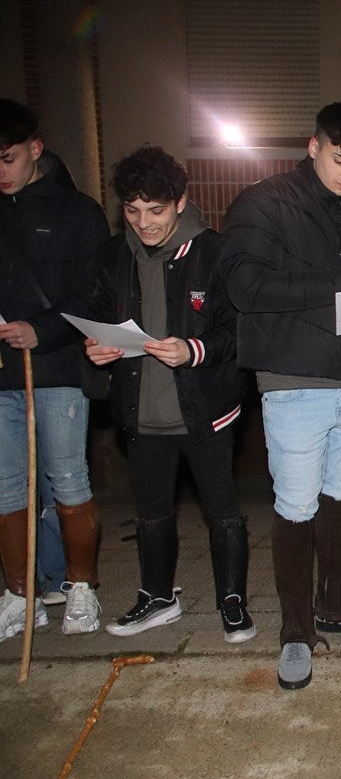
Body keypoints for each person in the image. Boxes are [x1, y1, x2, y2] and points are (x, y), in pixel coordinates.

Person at [222, 102, 341, 690]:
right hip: (294, 382)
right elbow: (245, 286)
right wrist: (337, 277)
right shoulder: (263, 204)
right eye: (339, 157)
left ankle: (335, 604)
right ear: (313, 145)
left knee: (338, 498)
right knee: (296, 504)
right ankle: (296, 629)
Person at [85, 146, 253, 642]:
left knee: (222, 511)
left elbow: (239, 329)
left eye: (155, 211)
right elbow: (98, 314)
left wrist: (195, 349)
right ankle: (158, 598)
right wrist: (96, 346)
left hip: (205, 410)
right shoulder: (113, 256)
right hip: (141, 412)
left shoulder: (214, 252)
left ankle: (233, 600)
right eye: (133, 212)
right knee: (151, 511)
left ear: (180, 201)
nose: (144, 223)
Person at [0, 99, 108, 640]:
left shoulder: (77, 212)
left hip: (58, 369)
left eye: (7, 158)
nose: (0, 172)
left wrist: (42, 330)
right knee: (8, 488)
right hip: (2, 375)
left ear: (34, 149)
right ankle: (21, 594)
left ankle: (80, 587)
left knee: (67, 478)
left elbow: (90, 293)